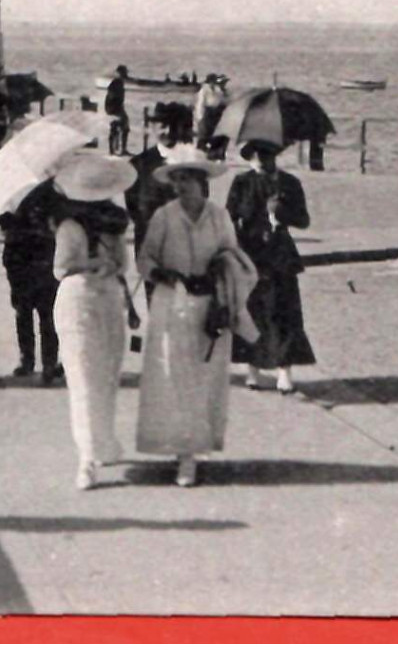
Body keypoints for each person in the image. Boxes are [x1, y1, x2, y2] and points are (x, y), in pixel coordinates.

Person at [136, 145, 256, 487]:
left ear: (203, 182)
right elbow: (146, 261)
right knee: (174, 375)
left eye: (188, 179)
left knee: (205, 377)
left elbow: (233, 256)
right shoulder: (164, 216)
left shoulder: (219, 217)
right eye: (177, 179)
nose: (181, 186)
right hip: (172, 305)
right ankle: (182, 452)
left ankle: (195, 448)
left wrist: (220, 267)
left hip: (209, 307)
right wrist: (167, 275)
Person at [48, 153, 138, 490]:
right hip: (78, 301)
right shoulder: (70, 227)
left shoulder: (114, 225)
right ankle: (86, 458)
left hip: (109, 301)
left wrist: (110, 265)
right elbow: (60, 269)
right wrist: (90, 264)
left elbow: (122, 264)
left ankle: (104, 443)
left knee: (107, 375)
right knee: (83, 377)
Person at [228, 139, 317, 393]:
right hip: (250, 254)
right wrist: (237, 230)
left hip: (279, 255)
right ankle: (253, 369)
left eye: (265, 154)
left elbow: (303, 220)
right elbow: (228, 216)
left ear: (274, 155)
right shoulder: (242, 183)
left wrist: (280, 215)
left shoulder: (289, 183)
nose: (259, 160)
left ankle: (284, 372)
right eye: (253, 155)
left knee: (283, 313)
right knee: (252, 312)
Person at [0, 179, 63, 384]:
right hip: (21, 258)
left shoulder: (52, 191)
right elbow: (1, 219)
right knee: (25, 312)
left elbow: (59, 220)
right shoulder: (10, 190)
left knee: (46, 313)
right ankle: (30, 360)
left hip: (42, 258)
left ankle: (47, 363)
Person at [126, 102, 191, 256]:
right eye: (163, 126)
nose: (168, 131)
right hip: (149, 240)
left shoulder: (191, 161)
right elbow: (132, 204)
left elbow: (201, 199)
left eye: (173, 126)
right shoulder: (139, 163)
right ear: (153, 128)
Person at [193, 73, 227, 151]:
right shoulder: (204, 90)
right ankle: (201, 147)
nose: (213, 82)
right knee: (205, 132)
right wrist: (200, 115)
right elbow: (200, 103)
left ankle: (212, 148)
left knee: (213, 132)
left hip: (215, 112)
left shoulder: (217, 89)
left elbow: (221, 100)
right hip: (207, 112)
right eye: (212, 81)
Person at [104, 65, 130, 155]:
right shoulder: (116, 83)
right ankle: (117, 149)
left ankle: (118, 149)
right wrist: (113, 109)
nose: (126, 74)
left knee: (121, 128)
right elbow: (111, 96)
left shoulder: (119, 82)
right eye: (125, 72)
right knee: (119, 127)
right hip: (114, 109)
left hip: (116, 108)